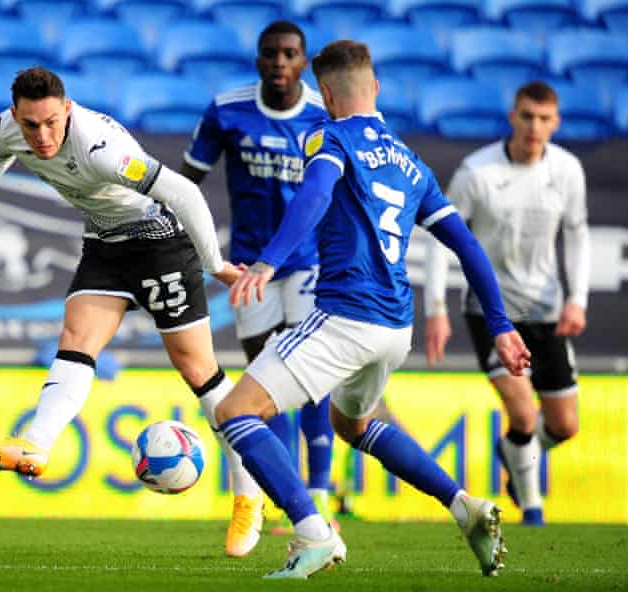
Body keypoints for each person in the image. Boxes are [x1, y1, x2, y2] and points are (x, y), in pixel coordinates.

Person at [0, 67, 250, 553]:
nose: (40, 136)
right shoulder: (10, 128)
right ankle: (35, 443)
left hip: (159, 243)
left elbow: (184, 193)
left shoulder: (99, 149)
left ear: (66, 109)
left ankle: (247, 492)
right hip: (104, 244)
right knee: (77, 339)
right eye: (29, 125)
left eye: (49, 123)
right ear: (16, 115)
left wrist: (214, 264)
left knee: (198, 369)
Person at [213, 40, 532, 579]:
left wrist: (268, 261)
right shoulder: (411, 163)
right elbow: (468, 246)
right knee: (352, 423)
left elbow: (313, 194)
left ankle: (313, 534)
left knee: (235, 412)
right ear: (376, 88)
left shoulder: (329, 136)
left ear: (329, 96)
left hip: (344, 315)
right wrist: (501, 325)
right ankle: (465, 506)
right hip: (393, 327)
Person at [180, 20, 336, 555]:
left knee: (309, 376)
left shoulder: (323, 114)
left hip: (307, 262)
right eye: (270, 53)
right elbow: (186, 182)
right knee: (267, 380)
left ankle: (318, 494)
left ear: (304, 60)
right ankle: (284, 492)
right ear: (257, 58)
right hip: (248, 269)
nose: (278, 62)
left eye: (289, 54)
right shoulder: (226, 109)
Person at [424, 81, 588, 527]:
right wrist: (435, 308)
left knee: (564, 426)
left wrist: (577, 299)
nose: (534, 127)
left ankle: (516, 452)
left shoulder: (568, 171)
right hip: (491, 311)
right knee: (523, 412)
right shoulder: (477, 172)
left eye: (544, 118)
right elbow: (440, 241)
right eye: (527, 116)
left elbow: (576, 234)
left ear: (555, 122)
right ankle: (533, 511)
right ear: (512, 117)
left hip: (548, 311)